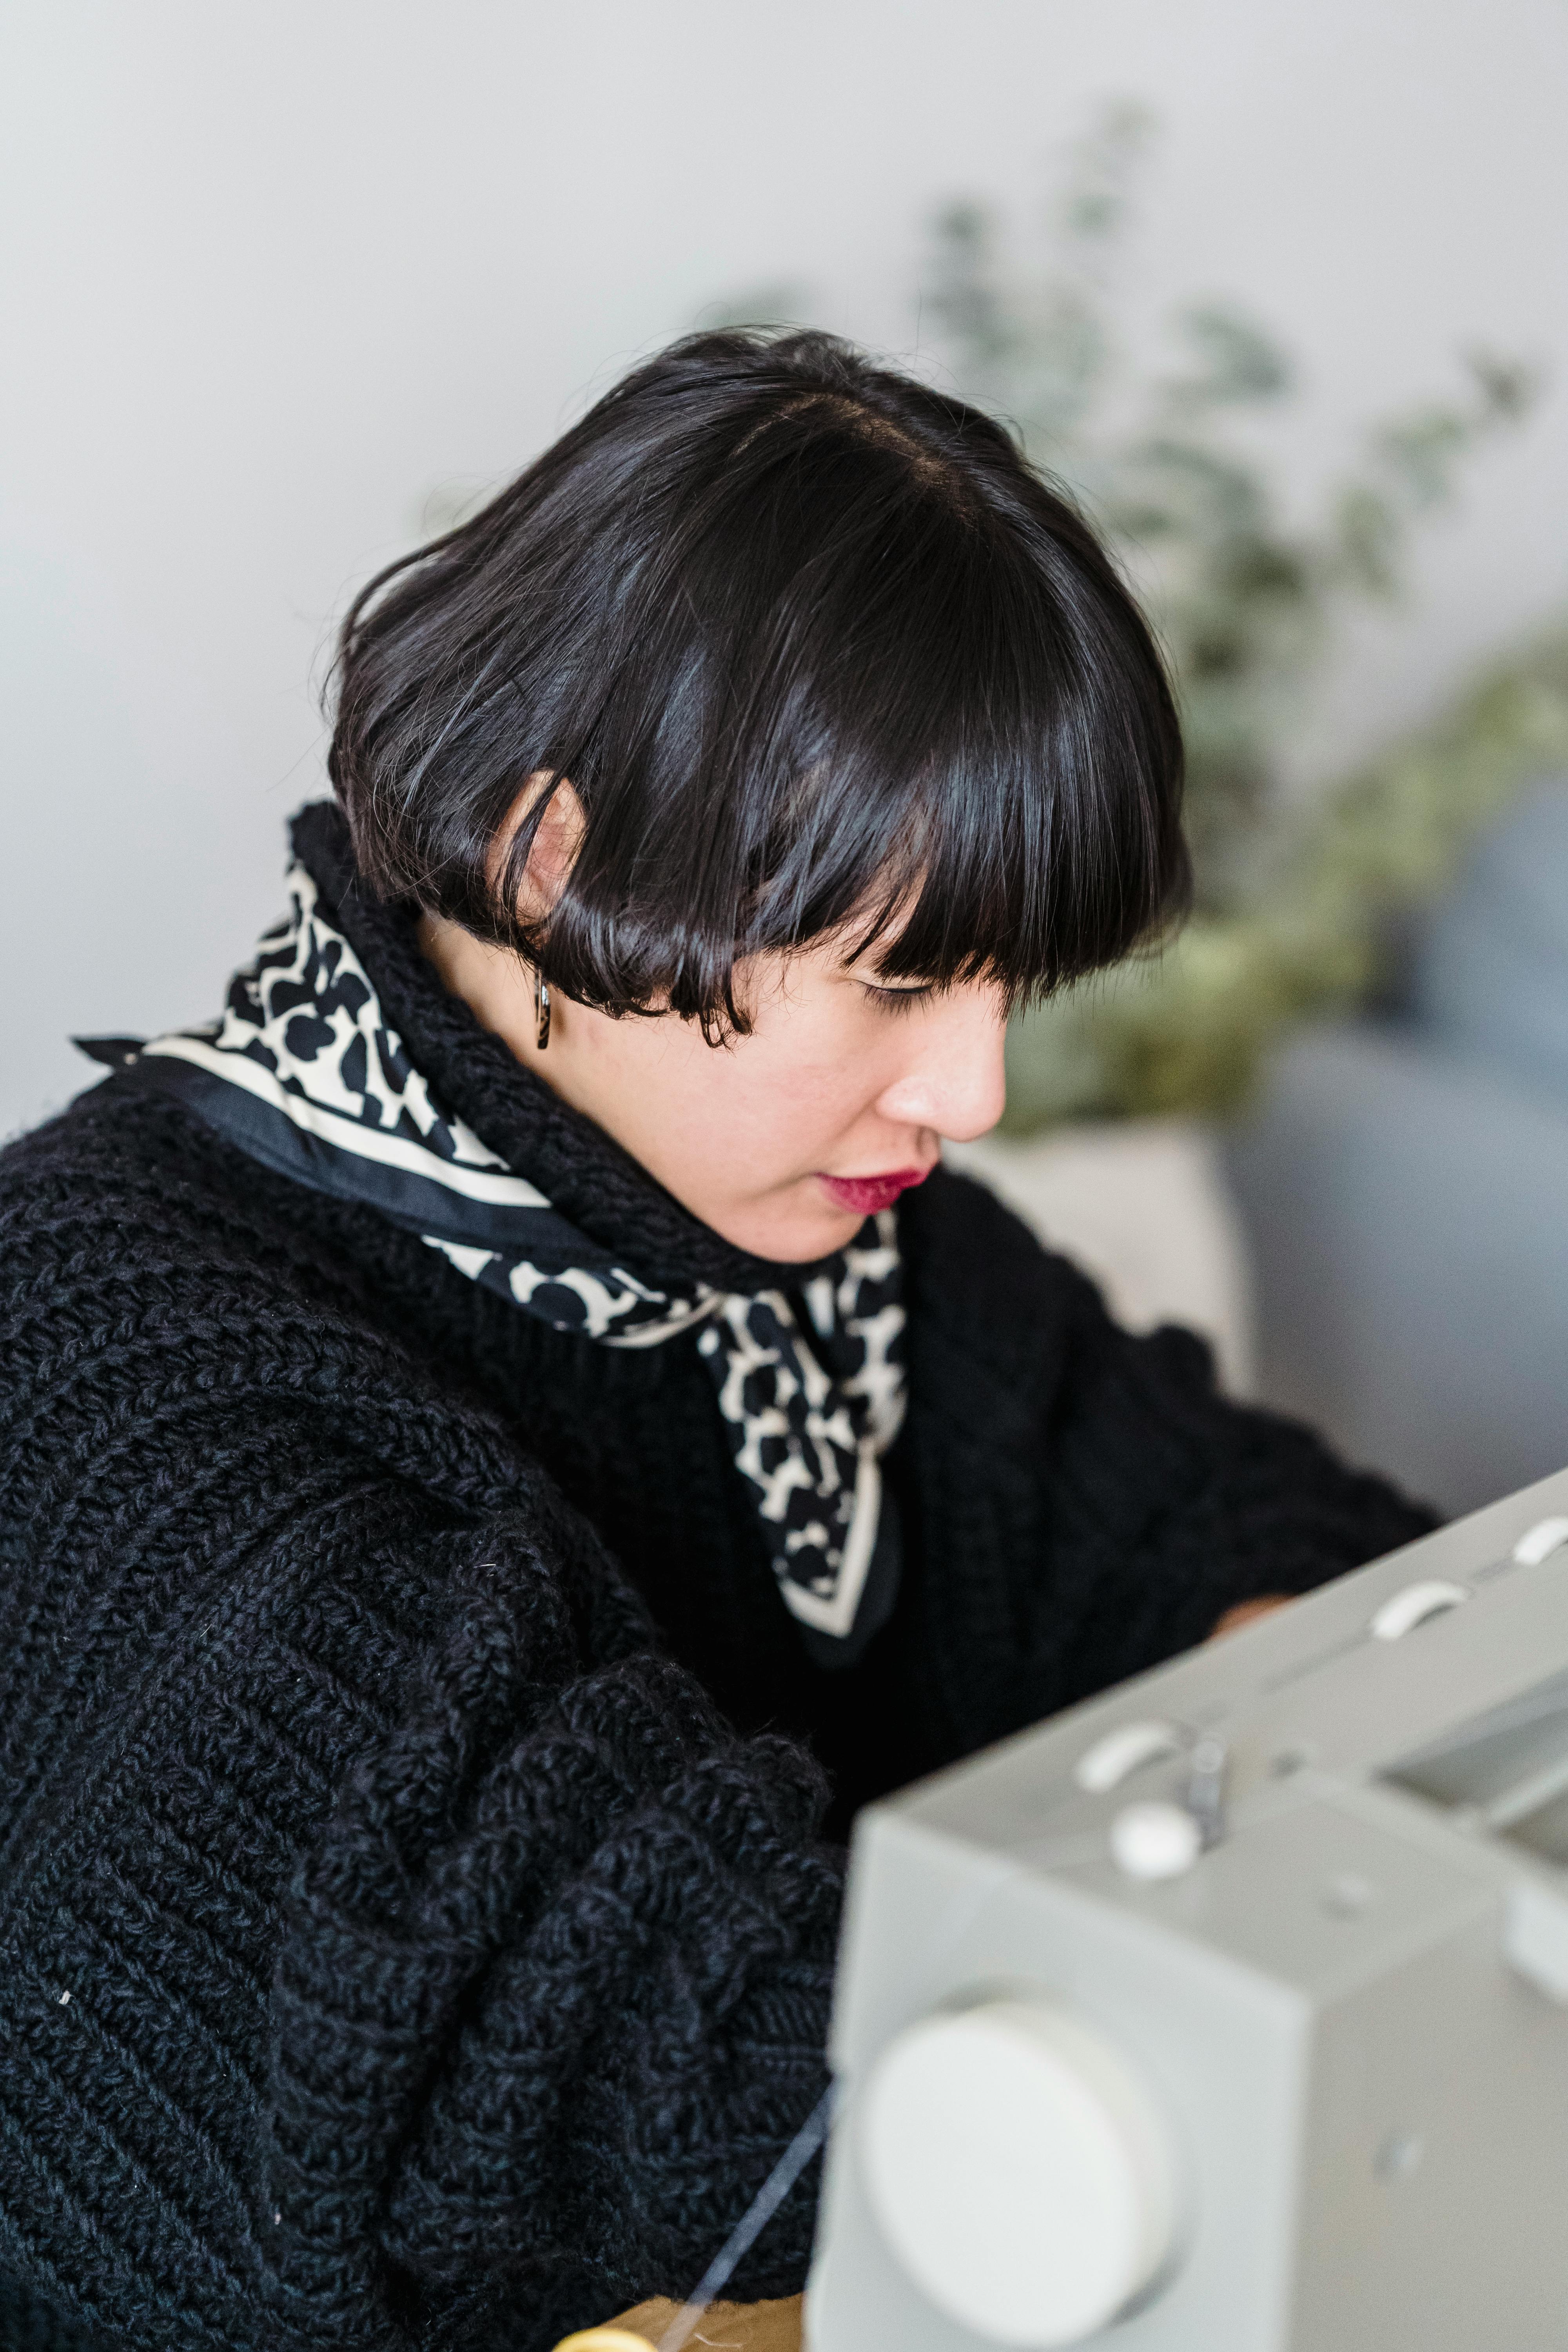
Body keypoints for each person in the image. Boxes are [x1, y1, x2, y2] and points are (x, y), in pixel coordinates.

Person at [0, 330, 1430, 2352]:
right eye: (907, 980)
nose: (977, 1092)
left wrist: (1388, 1739)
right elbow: (689, 2023)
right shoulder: (116, 1366)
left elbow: (1226, 1542)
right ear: (553, 863)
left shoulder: (818, 1237)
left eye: (1011, 985)